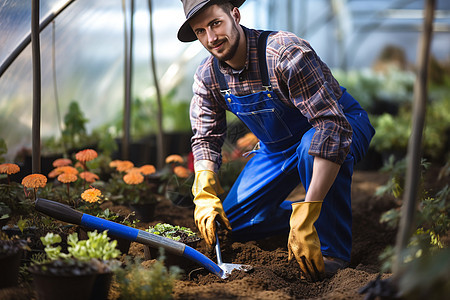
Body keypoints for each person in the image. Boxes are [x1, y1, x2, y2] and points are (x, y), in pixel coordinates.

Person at [178, 0, 375, 281]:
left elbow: (330, 126)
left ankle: (333, 251)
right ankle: (308, 219)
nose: (211, 38)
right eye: (200, 31)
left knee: (312, 146)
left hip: (340, 124)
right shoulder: (209, 75)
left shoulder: (284, 53)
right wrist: (204, 192)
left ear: (235, 14)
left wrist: (310, 206)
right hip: (276, 149)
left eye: (215, 23)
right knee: (232, 224)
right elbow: (206, 137)